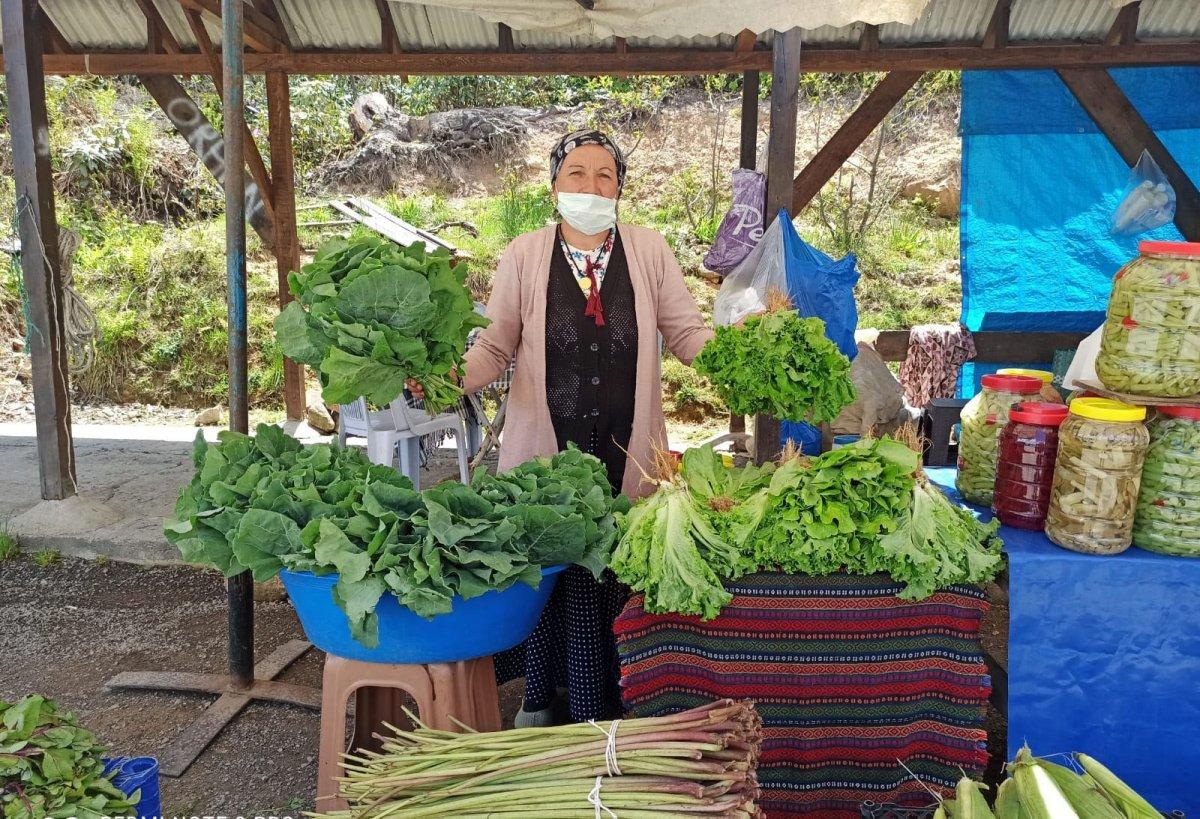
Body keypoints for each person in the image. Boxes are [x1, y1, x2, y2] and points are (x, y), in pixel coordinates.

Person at [410, 129, 713, 724]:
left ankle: (617, 702)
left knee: (616, 569)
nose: (590, 186)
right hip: (545, 458)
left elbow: (687, 334)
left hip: (627, 449)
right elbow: (494, 347)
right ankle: (545, 697)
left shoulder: (650, 251)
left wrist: (739, 356)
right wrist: (446, 377)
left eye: (604, 175)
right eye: (577, 173)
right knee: (553, 573)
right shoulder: (525, 253)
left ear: (620, 188)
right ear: (554, 186)